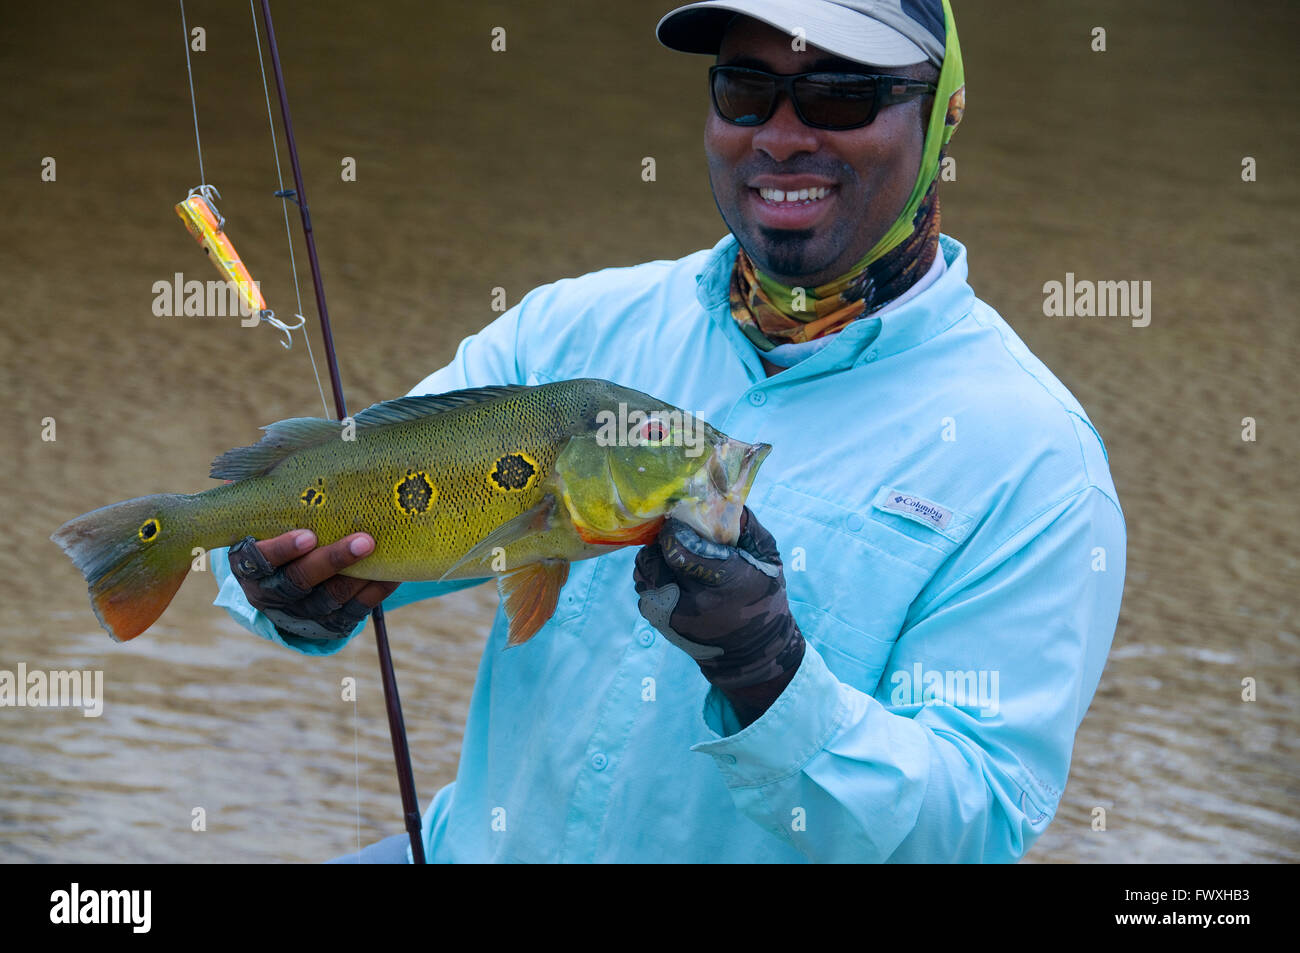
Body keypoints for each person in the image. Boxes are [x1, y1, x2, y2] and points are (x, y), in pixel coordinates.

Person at [214, 0, 1126, 863]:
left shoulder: (1034, 462)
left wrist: (770, 676)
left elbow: (974, 826)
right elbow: (338, 514)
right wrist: (280, 584)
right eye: (745, 88)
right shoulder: (569, 332)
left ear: (942, 114)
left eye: (840, 93)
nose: (780, 135)